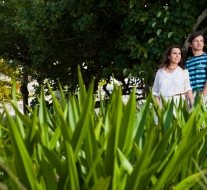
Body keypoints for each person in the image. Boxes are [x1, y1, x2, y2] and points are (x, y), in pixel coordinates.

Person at [185, 31, 207, 100]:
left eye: (201, 41)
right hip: (192, 96)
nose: (199, 43)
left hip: (204, 94)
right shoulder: (188, 62)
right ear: (190, 44)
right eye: (196, 41)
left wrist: (203, 95)